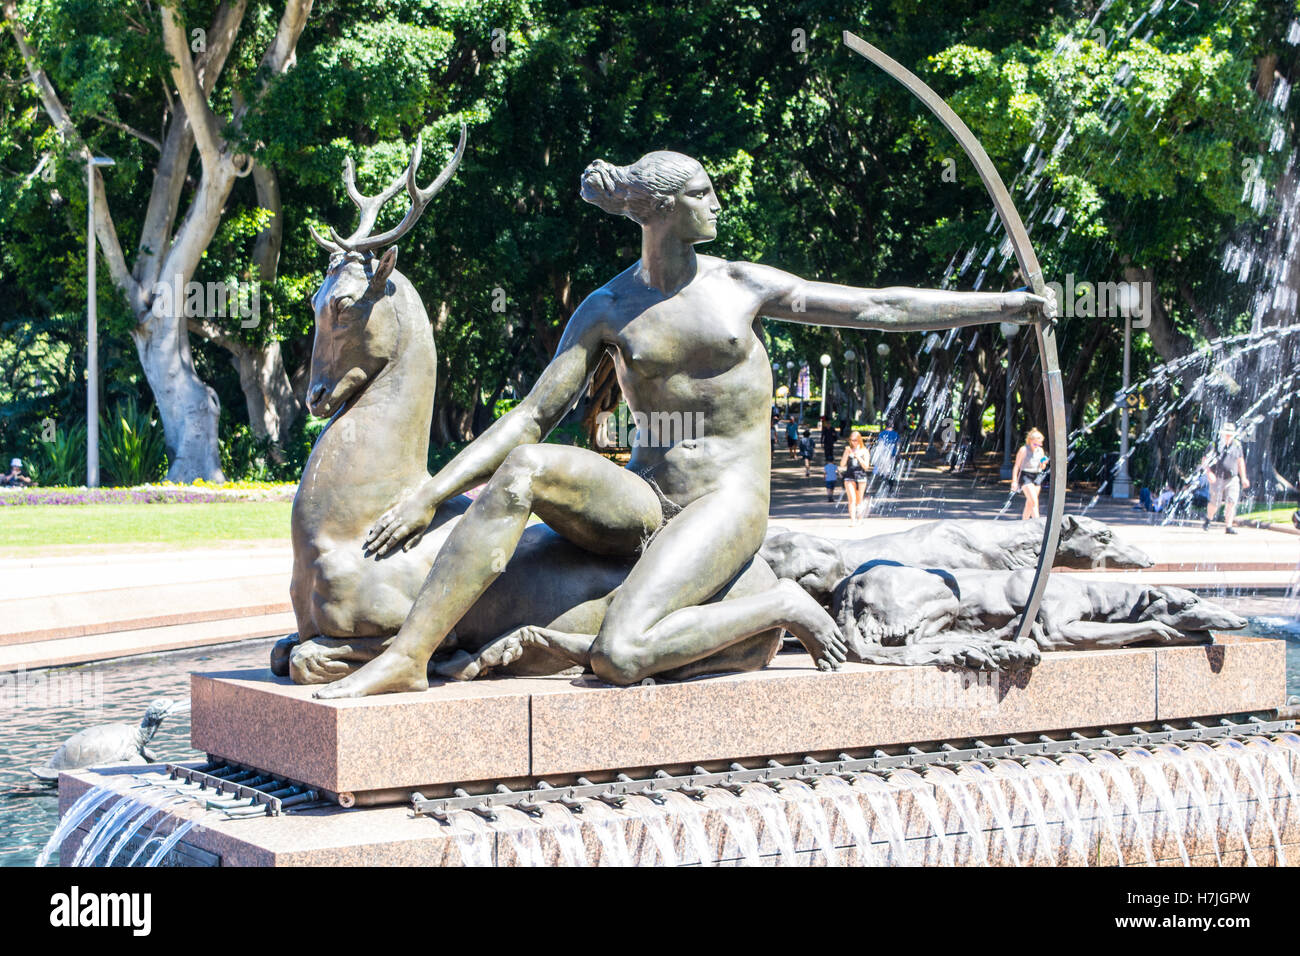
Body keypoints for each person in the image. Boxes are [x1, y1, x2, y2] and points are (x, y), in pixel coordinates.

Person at [316, 149, 1052, 698]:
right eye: (703, 192)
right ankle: (408, 657)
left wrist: (1007, 306)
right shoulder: (608, 307)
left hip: (724, 503)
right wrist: (426, 497)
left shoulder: (741, 286)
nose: (718, 202)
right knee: (529, 469)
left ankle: (779, 604)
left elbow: (877, 307)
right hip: (644, 496)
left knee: (621, 654)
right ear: (664, 210)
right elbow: (533, 417)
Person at [1201, 422, 1249, 534]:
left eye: (1230, 434)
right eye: (1226, 434)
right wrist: (1209, 473)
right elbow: (1204, 460)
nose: (1228, 436)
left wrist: (1244, 478)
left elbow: (1240, 461)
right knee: (1215, 503)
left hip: (1232, 478)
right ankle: (1209, 519)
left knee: (1231, 501)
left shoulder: (1237, 445)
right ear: (1222, 434)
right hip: (1217, 478)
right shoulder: (1214, 445)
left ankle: (1228, 526)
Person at [1011, 427, 1049, 520]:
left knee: (1030, 503)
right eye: (1035, 443)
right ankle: (1037, 522)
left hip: (1037, 476)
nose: (1037, 446)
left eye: (1040, 444)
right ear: (1030, 441)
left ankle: (1024, 522)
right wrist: (1014, 481)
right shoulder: (1024, 450)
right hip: (1026, 475)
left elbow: (1042, 467)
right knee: (1034, 501)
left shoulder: (1040, 450)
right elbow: (1016, 466)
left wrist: (1044, 463)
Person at [839, 430, 871, 525]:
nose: (853, 442)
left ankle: (860, 518)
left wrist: (858, 457)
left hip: (861, 477)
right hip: (849, 477)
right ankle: (853, 520)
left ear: (859, 440)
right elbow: (842, 464)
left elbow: (866, 466)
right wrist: (847, 453)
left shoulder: (864, 451)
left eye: (855, 440)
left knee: (859, 500)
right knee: (852, 499)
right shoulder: (848, 450)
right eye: (852, 440)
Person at [872, 421, 900, 494]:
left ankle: (883, 484)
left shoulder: (882, 434)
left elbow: (879, 445)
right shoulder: (896, 434)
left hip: (883, 455)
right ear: (892, 425)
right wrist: (898, 454)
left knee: (884, 470)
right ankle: (890, 487)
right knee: (891, 471)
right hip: (892, 455)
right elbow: (898, 445)